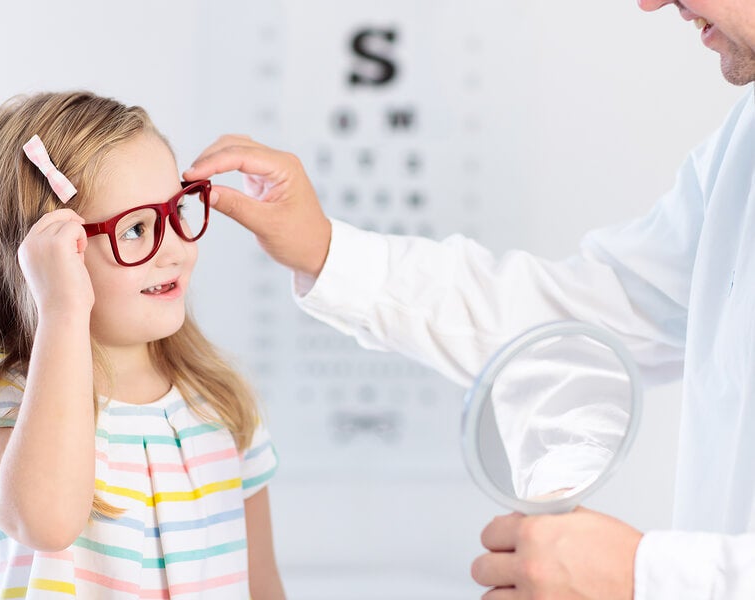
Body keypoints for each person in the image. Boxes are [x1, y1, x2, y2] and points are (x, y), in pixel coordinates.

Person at [181, 1, 755, 597]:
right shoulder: (741, 148)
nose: (650, 1)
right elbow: (585, 321)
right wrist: (325, 251)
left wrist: (645, 577)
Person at [0, 91, 284, 599]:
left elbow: (263, 584)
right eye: (136, 228)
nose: (177, 249)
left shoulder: (219, 398)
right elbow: (47, 521)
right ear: (46, 256)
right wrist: (62, 310)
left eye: (176, 211)